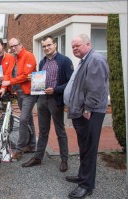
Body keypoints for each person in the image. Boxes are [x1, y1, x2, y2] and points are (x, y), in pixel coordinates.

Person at [64, 34, 109, 199]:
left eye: (78, 45)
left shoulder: (95, 59)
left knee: (89, 148)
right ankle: (83, 176)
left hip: (90, 112)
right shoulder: (85, 59)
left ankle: (86, 186)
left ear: (88, 44)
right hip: (82, 111)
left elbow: (96, 88)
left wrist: (88, 108)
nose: (75, 49)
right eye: (73, 46)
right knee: (84, 146)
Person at [21, 35, 73, 172]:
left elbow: (71, 82)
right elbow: (41, 80)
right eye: (44, 46)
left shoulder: (65, 61)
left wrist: (56, 89)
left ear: (55, 44)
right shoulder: (42, 62)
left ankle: (64, 159)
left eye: (49, 45)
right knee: (43, 131)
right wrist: (34, 78)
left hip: (55, 100)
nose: (46, 48)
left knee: (60, 130)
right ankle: (38, 158)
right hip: (42, 99)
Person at [0, 38, 38, 161]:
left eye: (15, 45)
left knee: (23, 119)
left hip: (29, 93)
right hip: (19, 93)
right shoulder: (13, 58)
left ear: (21, 44)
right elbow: (9, 74)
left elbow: (25, 75)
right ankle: (32, 145)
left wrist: (10, 81)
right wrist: (4, 86)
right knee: (29, 119)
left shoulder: (29, 56)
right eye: (11, 46)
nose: (13, 48)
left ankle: (19, 151)